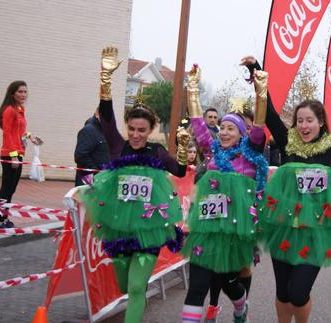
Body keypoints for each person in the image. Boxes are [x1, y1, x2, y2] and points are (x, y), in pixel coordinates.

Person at [243, 56, 331, 323]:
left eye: (309, 120)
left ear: (321, 123)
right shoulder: (287, 142)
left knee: (298, 292)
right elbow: (269, 112)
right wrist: (256, 72)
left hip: (316, 233)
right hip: (284, 227)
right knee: (283, 292)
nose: (304, 126)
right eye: (300, 121)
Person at [81, 47, 189, 323]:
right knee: (123, 286)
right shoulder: (117, 146)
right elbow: (106, 118)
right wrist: (105, 79)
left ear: (150, 129)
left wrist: (186, 149)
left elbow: (178, 170)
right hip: (119, 227)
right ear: (127, 127)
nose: (136, 134)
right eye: (132, 129)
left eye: (142, 130)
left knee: (138, 287)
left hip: (149, 231)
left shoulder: (156, 152)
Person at [181, 65, 268, 323]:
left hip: (234, 232)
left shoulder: (250, 155)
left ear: (243, 134)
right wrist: (192, 89)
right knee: (197, 287)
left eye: (232, 128)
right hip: (206, 228)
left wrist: (261, 92)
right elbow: (198, 124)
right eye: (223, 128)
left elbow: (260, 126)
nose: (225, 132)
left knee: (228, 282)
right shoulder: (211, 153)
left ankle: (241, 308)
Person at [0, 80, 41, 228]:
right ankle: (0, 220)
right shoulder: (9, 110)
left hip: (18, 154)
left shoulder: (20, 109)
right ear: (12, 93)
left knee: (12, 188)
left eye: (25, 91)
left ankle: (5, 218)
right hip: (10, 155)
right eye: (20, 91)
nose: (23, 94)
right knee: (7, 187)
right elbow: (7, 133)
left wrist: (29, 136)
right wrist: (14, 155)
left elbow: (19, 131)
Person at [74, 110, 110, 186]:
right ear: (97, 113)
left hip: (100, 180)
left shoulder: (104, 131)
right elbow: (80, 156)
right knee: (87, 197)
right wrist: (96, 172)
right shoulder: (88, 130)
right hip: (89, 180)